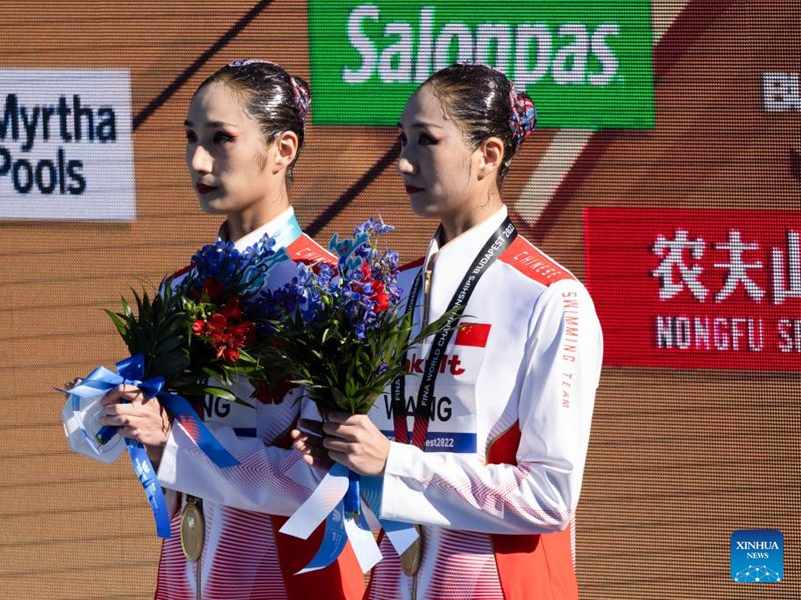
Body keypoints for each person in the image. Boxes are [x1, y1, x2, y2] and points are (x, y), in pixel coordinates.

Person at [292, 63, 603, 599]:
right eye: (402, 139)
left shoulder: (551, 297)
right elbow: (380, 466)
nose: (403, 161)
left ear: (489, 156)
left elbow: (551, 497)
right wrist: (340, 455)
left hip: (496, 584)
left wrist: (394, 462)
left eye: (427, 140)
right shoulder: (391, 290)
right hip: (393, 579)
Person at [97, 59, 364, 600]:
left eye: (222, 139)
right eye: (192, 138)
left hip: (291, 574)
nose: (198, 160)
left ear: (282, 149)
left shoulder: (330, 292)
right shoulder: (177, 290)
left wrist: (174, 448)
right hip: (186, 572)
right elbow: (167, 461)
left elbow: (329, 482)